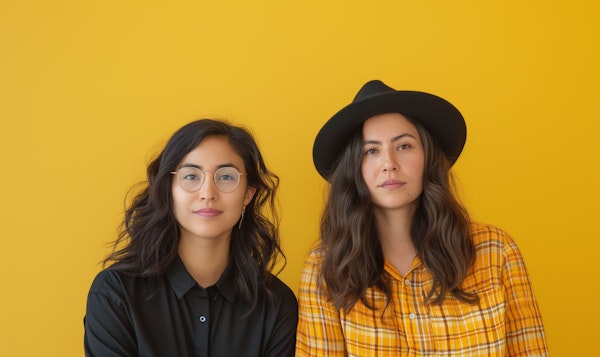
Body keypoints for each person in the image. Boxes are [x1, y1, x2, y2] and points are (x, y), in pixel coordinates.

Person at [296, 80, 548, 356]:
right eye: (371, 151)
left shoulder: (496, 251)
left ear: (428, 158)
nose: (389, 163)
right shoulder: (326, 268)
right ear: (354, 169)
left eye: (404, 146)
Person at [84, 119, 298, 356]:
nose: (208, 193)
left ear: (248, 193)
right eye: (191, 176)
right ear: (169, 188)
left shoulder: (276, 304)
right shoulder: (115, 294)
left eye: (226, 177)